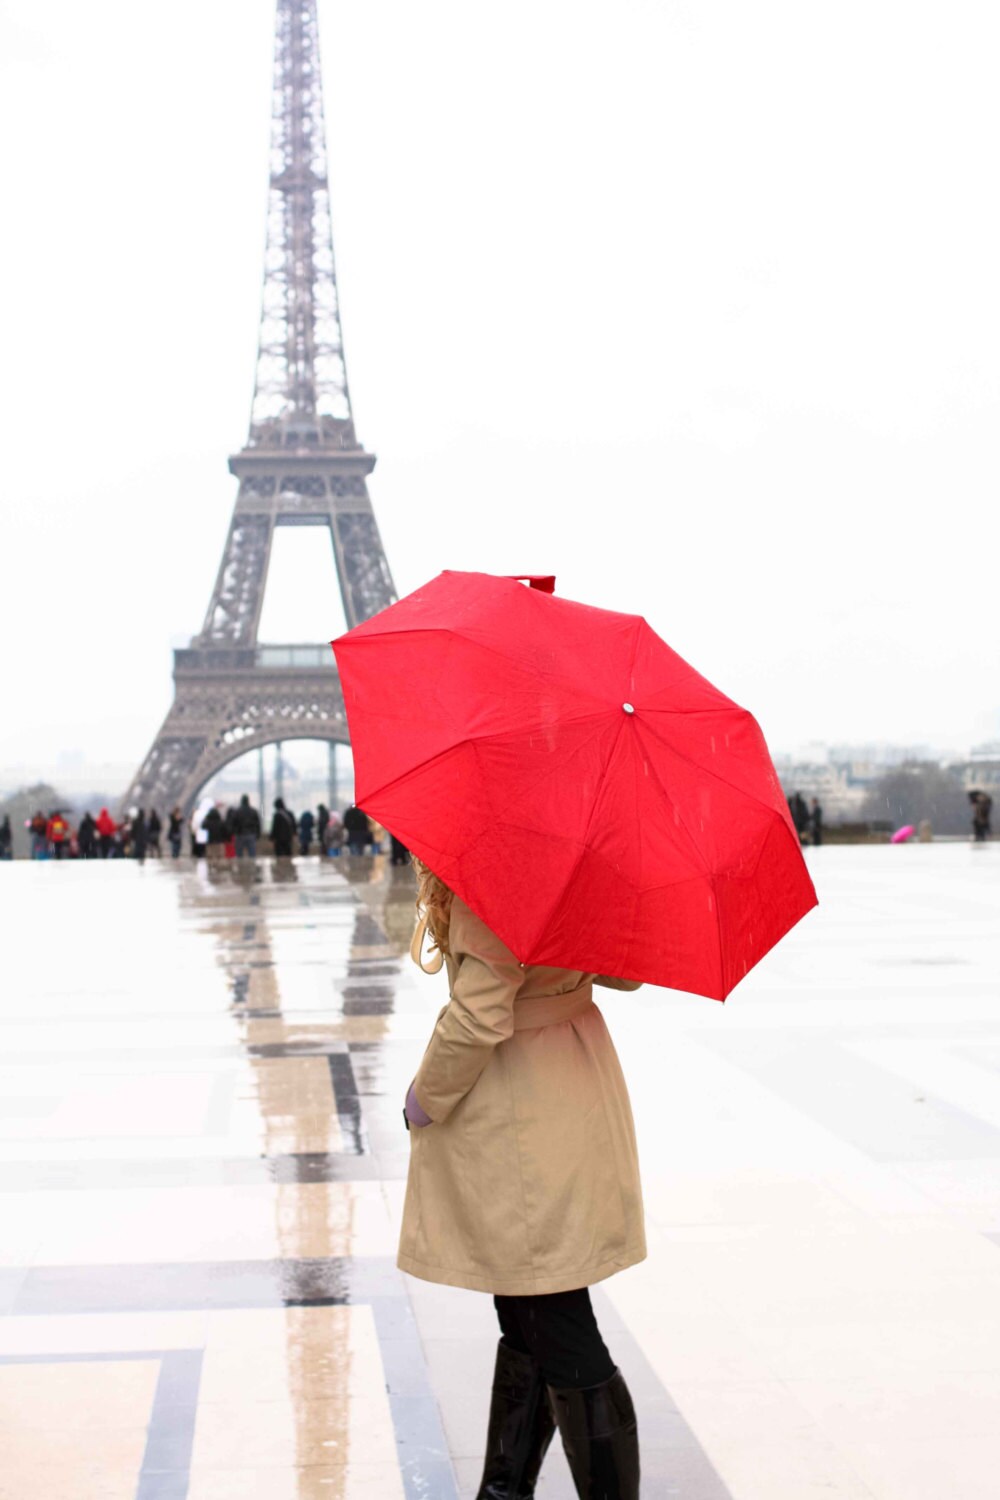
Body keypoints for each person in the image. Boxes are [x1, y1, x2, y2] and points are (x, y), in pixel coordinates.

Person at [400, 862, 643, 1496]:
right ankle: (502, 1492)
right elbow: (626, 969)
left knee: (557, 1323)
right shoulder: (579, 858)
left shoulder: (499, 866)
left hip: (520, 1105)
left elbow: (480, 1013)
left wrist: (425, 1096)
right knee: (531, 1311)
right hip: (570, 1083)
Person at [232, 794, 261, 860]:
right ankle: (252, 868)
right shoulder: (253, 811)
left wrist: (234, 832)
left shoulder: (237, 811)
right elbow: (257, 824)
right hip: (251, 834)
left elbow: (233, 823)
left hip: (240, 834)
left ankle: (240, 868)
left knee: (239, 855)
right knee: (252, 855)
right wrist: (258, 834)